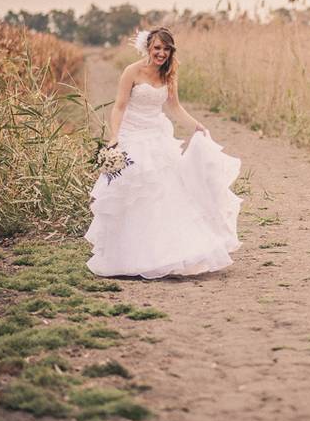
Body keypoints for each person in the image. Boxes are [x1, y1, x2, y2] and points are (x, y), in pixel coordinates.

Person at [85, 27, 242, 278]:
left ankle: (167, 253)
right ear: (148, 48)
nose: (161, 53)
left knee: (167, 192)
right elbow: (119, 107)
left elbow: (174, 107)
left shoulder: (169, 74)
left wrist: (196, 125)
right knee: (134, 195)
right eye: (157, 48)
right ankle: (129, 255)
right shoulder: (132, 71)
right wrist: (115, 137)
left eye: (166, 49)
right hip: (133, 137)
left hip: (157, 137)